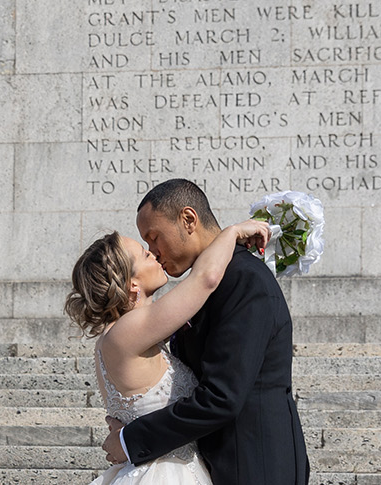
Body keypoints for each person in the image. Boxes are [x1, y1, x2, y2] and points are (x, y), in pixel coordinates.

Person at [101, 178, 310, 484]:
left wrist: (131, 439)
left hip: (255, 467)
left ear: (188, 220)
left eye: (155, 237)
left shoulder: (243, 280)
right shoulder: (200, 289)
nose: (154, 251)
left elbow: (221, 397)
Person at [66, 216, 269, 485]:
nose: (152, 253)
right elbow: (205, 279)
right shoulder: (128, 331)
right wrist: (231, 233)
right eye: (143, 253)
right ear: (132, 283)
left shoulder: (122, 335)